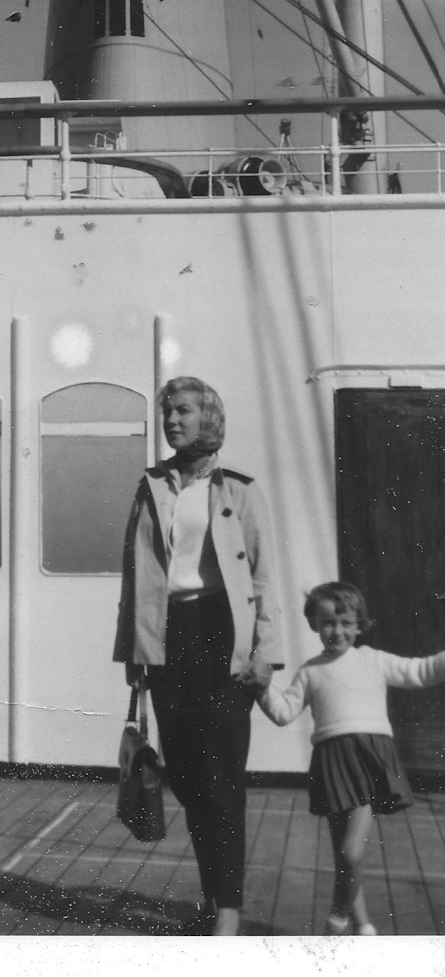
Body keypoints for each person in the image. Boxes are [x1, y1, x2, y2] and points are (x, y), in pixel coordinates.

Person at [113, 375, 284, 936]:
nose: (171, 421)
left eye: (182, 411)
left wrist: (266, 652)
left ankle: (228, 915)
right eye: (167, 413)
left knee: (222, 780)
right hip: (168, 639)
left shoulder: (239, 490)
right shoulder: (153, 486)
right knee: (186, 778)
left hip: (223, 636)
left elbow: (264, 576)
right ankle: (213, 897)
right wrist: (133, 654)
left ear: (208, 417)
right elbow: (134, 575)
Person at [253, 580, 445, 936]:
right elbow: (283, 712)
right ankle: (364, 926)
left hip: (368, 760)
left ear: (359, 624)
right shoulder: (310, 671)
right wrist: (260, 688)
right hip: (331, 763)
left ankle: (338, 917)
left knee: (351, 852)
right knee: (343, 853)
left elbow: (417, 671)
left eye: (345, 622)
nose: (336, 630)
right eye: (327, 622)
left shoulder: (372, 660)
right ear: (313, 624)